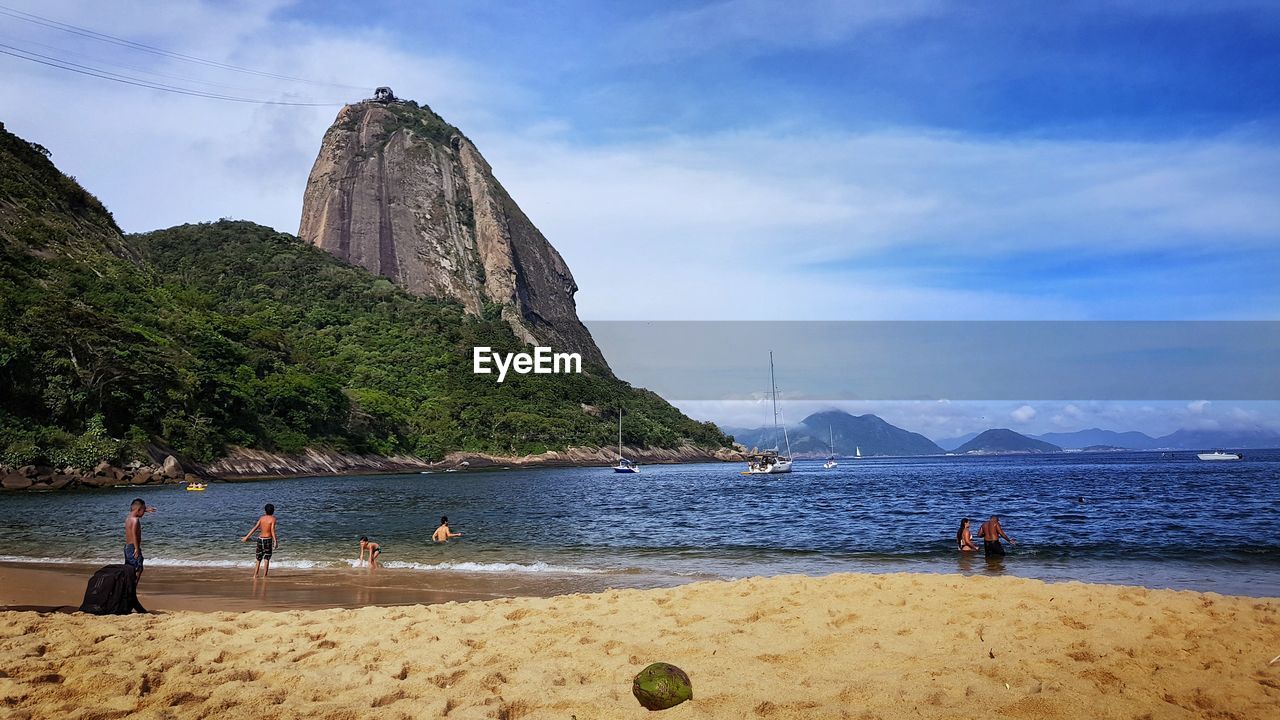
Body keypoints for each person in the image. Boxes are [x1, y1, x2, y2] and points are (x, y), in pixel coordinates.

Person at [240, 503, 279, 577]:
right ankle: (265, 575)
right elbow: (272, 531)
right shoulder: (273, 519)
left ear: (265, 511)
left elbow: (255, 528)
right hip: (268, 540)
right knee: (267, 558)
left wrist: (246, 537)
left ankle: (255, 575)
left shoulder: (261, 518)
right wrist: (275, 541)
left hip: (260, 539)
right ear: (273, 511)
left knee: (258, 558)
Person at [124, 498, 156, 578]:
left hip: (127, 547)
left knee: (129, 568)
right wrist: (137, 549)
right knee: (138, 568)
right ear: (139, 510)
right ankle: (132, 588)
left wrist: (145, 510)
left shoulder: (128, 518)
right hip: (133, 547)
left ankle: (128, 586)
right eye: (143, 509)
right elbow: (134, 534)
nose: (144, 513)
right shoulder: (135, 520)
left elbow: (136, 509)